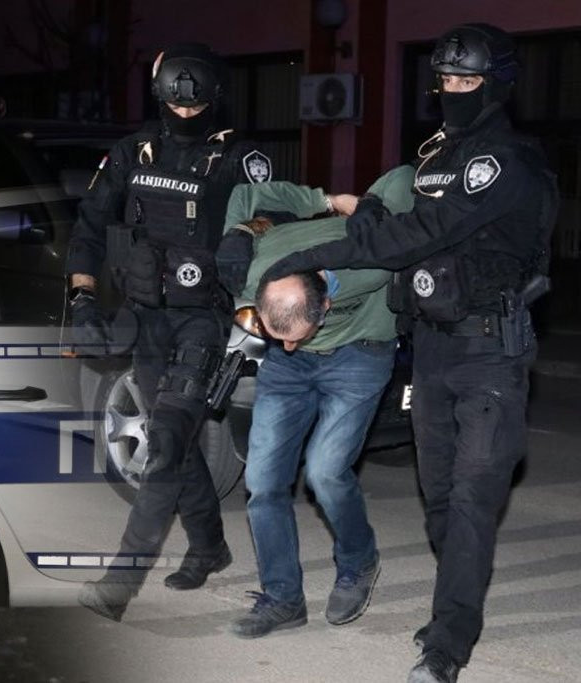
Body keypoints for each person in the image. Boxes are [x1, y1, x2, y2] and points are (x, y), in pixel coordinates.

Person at [261, 24, 558, 683]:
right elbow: (400, 227)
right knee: (440, 498)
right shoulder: (436, 158)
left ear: (497, 83)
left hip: (490, 353)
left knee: (473, 499)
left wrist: (306, 256)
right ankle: (456, 601)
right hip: (431, 350)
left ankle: (448, 644)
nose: (454, 90)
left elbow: (421, 233)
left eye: (467, 80)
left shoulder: (503, 162)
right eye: (446, 80)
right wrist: (367, 212)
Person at [67, 42, 273, 621]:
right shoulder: (133, 152)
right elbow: (88, 225)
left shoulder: (239, 157)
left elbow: (276, 214)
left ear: (214, 99)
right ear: (160, 97)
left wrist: (248, 230)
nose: (185, 114)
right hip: (146, 317)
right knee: (174, 440)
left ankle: (118, 585)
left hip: (202, 319)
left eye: (196, 106)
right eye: (176, 105)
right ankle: (209, 546)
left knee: (165, 445)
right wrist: (83, 297)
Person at [217, 167, 415, 639]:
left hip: (359, 355)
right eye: (276, 335)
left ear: (325, 306)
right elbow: (245, 194)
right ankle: (283, 599)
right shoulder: (251, 270)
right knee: (263, 480)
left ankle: (359, 562)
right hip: (289, 374)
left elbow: (406, 176)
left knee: (326, 472)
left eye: (294, 336)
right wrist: (325, 200)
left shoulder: (371, 262)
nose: (285, 345)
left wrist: (371, 207)